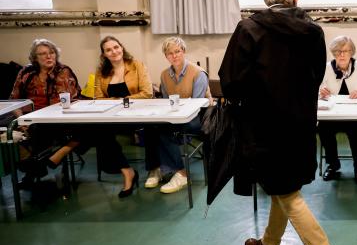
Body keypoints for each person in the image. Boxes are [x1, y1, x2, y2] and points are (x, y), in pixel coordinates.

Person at [219, 0, 344, 245]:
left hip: (263, 126)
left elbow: (230, 81)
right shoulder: (313, 33)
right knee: (284, 184)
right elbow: (316, 76)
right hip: (301, 122)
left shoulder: (248, 30)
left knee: (285, 190)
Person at [144, 37, 213, 194]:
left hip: (197, 118)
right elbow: (166, 101)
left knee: (163, 131)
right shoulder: (164, 75)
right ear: (166, 56)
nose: (174, 56)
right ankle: (156, 169)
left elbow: (196, 106)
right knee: (150, 127)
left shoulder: (198, 73)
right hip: (176, 116)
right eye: (170, 53)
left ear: (184, 52)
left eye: (177, 51)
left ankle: (181, 173)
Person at [10, 38, 82, 187]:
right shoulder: (26, 73)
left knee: (42, 130)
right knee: (12, 133)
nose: (48, 56)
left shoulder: (63, 71)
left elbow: (71, 100)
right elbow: (14, 100)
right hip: (29, 119)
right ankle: (38, 165)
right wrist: (22, 120)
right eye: (43, 54)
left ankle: (35, 168)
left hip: (57, 119)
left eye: (51, 52)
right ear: (35, 58)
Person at [94, 35, 153, 198]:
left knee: (101, 134)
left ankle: (127, 172)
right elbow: (97, 98)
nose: (113, 52)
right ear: (104, 54)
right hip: (112, 117)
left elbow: (147, 93)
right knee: (98, 131)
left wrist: (120, 101)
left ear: (122, 48)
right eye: (108, 50)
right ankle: (127, 171)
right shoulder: (101, 72)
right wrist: (115, 104)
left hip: (136, 116)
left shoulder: (137, 66)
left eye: (116, 47)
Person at [318, 35, 357, 184]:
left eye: (346, 51)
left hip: (355, 115)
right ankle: (333, 165)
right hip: (332, 115)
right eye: (338, 51)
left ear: (352, 52)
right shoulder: (324, 68)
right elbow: (314, 91)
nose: (342, 55)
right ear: (333, 53)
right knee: (323, 129)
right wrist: (320, 92)